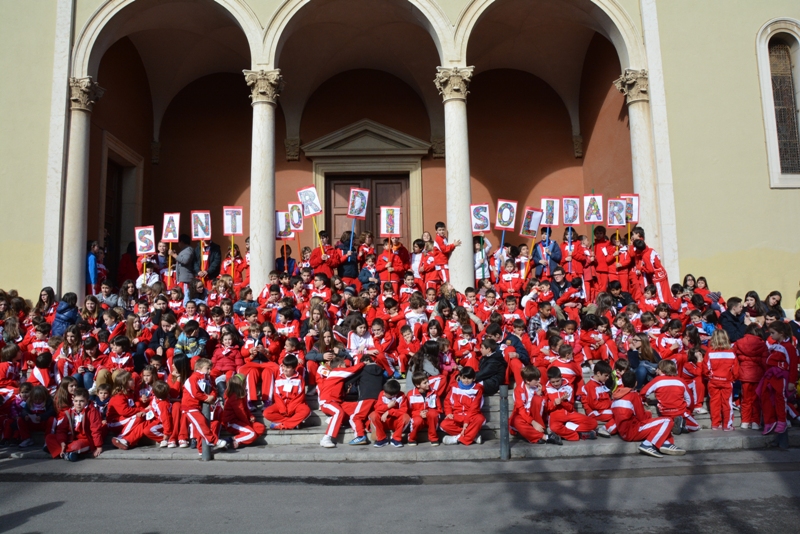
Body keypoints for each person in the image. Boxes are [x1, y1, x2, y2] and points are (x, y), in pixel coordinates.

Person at [611, 370, 685, 458]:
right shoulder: (633, 395)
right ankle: (648, 444)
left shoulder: (615, 396)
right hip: (633, 430)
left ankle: (665, 443)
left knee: (659, 424)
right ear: (636, 383)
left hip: (623, 432)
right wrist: (648, 414)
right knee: (668, 421)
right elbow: (641, 418)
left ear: (622, 382)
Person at [640, 360, 700, 435]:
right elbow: (690, 399)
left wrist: (644, 400)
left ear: (661, 370)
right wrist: (689, 409)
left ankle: (673, 426)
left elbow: (643, 392)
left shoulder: (657, 380)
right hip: (680, 411)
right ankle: (681, 426)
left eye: (657, 369)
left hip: (665, 412)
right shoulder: (680, 381)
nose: (656, 370)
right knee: (696, 426)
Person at [182, 358, 228, 455]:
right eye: (207, 368)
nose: (209, 371)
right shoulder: (193, 378)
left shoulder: (208, 378)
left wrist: (212, 396)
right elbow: (195, 393)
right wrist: (206, 398)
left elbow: (213, 389)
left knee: (201, 428)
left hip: (199, 406)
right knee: (202, 423)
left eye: (210, 368)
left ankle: (201, 449)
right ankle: (214, 441)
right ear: (199, 368)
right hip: (189, 406)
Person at [760, 321, 798, 435]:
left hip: (781, 376)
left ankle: (782, 421)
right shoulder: (776, 346)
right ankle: (770, 421)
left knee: (780, 399)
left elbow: (793, 365)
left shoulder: (789, 347)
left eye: (772, 333)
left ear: (781, 333)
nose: (770, 336)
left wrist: (792, 381)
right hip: (770, 376)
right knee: (766, 397)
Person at [45, 387, 103, 460]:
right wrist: (62, 442)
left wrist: (98, 446)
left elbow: (96, 429)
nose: (78, 404)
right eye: (76, 401)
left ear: (87, 401)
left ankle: (61, 452)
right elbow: (61, 429)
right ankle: (66, 453)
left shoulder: (92, 411)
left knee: (76, 446)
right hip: (71, 438)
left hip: (85, 439)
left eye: (81, 401)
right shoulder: (70, 411)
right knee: (49, 437)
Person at [510, 365, 562, 445]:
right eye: (536, 379)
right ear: (527, 381)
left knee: (538, 399)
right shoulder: (519, 390)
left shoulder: (541, 388)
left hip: (537, 417)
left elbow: (546, 406)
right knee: (516, 421)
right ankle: (545, 437)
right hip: (524, 417)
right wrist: (533, 423)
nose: (539, 381)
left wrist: (540, 395)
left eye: (539, 378)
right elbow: (520, 409)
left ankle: (534, 436)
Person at [544, 367, 598, 441]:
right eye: (553, 382)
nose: (556, 384)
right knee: (554, 427)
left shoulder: (568, 387)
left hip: (569, 414)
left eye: (557, 381)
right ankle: (578, 435)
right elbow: (546, 408)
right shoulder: (546, 389)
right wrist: (554, 403)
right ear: (549, 380)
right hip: (555, 416)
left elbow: (570, 408)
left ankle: (568, 427)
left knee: (593, 423)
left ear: (561, 377)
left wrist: (563, 401)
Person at [262, 354, 311, 430]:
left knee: (306, 410)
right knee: (266, 413)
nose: (285, 369)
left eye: (288, 367)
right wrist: (282, 407)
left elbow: (300, 396)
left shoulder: (299, 379)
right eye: (283, 366)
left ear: (294, 368)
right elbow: (277, 395)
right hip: (282, 403)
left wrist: (291, 407)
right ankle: (293, 423)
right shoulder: (279, 378)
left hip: (295, 404)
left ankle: (283, 425)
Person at [734, 323, 767, 430]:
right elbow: (764, 362)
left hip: (744, 374)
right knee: (756, 400)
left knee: (745, 399)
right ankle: (755, 422)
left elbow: (734, 359)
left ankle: (745, 421)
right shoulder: (762, 344)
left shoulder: (739, 342)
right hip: (758, 375)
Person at [441, 367, 485, 446]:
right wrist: (448, 413)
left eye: (469, 378)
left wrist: (466, 422)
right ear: (460, 377)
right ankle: (472, 436)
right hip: (457, 415)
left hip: (471, 416)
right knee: (444, 425)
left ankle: (457, 439)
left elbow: (474, 408)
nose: (466, 381)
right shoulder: (454, 387)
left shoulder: (478, 389)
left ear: (474, 378)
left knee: (480, 419)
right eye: (464, 378)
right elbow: (447, 402)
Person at [705, 330, 739, 431]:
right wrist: (734, 378)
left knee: (714, 402)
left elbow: (705, 367)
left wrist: (709, 377)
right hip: (727, 381)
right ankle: (727, 425)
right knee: (727, 403)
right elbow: (736, 368)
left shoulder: (710, 350)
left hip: (713, 380)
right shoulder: (731, 351)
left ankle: (715, 424)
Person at [221, 375, 265, 449]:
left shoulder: (241, 395)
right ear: (241, 385)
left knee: (260, 428)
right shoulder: (234, 397)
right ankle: (230, 441)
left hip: (241, 421)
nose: (246, 385)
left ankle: (239, 440)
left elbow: (245, 409)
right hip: (232, 422)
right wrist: (248, 424)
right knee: (251, 434)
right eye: (245, 383)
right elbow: (240, 413)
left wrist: (251, 416)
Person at [369, 379, 410, 447]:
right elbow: (377, 409)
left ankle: (396, 438)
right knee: (373, 415)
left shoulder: (402, 396)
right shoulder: (382, 394)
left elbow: (403, 411)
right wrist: (387, 406)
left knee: (406, 417)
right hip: (383, 421)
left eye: (386, 393)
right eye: (384, 391)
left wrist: (389, 412)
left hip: (395, 421)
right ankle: (382, 439)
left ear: (393, 395)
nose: (384, 393)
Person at [581, 361, 617, 435]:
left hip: (603, 410)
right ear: (598, 373)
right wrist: (609, 403)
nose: (607, 378)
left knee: (622, 412)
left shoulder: (601, 384)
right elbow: (595, 405)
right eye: (606, 375)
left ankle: (609, 428)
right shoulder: (591, 386)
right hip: (594, 413)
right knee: (618, 414)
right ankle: (605, 429)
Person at [406, 372, 442, 446]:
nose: (428, 384)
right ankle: (412, 438)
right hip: (418, 418)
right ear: (418, 385)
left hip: (431, 418)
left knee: (433, 414)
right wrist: (419, 413)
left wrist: (429, 412)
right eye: (425, 383)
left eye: (427, 381)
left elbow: (439, 408)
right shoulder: (410, 394)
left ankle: (433, 438)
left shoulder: (434, 392)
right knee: (417, 421)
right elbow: (408, 411)